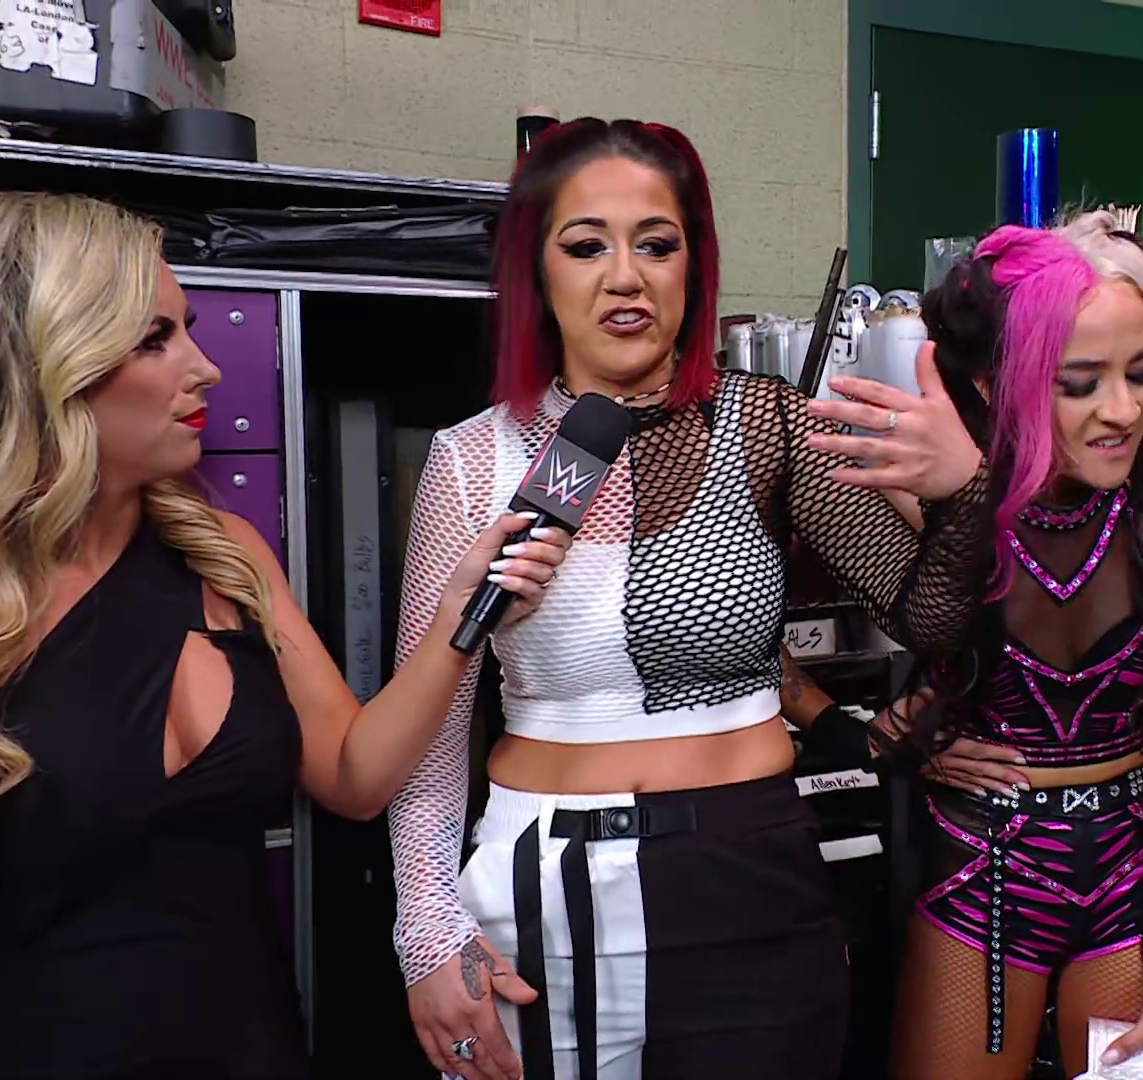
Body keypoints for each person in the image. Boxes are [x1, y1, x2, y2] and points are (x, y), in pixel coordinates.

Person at [0, 191, 570, 1080]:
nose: (207, 368)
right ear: (31, 367)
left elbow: (355, 777)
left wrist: (459, 616)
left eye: (188, 329)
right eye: (154, 339)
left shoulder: (225, 553)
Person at [386, 117, 987, 1080]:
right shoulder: (471, 458)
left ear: (694, 268)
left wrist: (966, 488)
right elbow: (430, 734)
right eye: (587, 246)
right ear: (536, 272)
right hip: (543, 889)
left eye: (656, 245)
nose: (625, 277)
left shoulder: (764, 423)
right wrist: (424, 933)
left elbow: (933, 621)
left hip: (751, 884)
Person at [876, 222, 1143, 1080]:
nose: (1123, 410)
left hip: (1136, 878)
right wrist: (894, 734)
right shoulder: (929, 489)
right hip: (980, 872)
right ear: (993, 382)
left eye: (1141, 373)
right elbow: (746, 637)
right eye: (1079, 384)